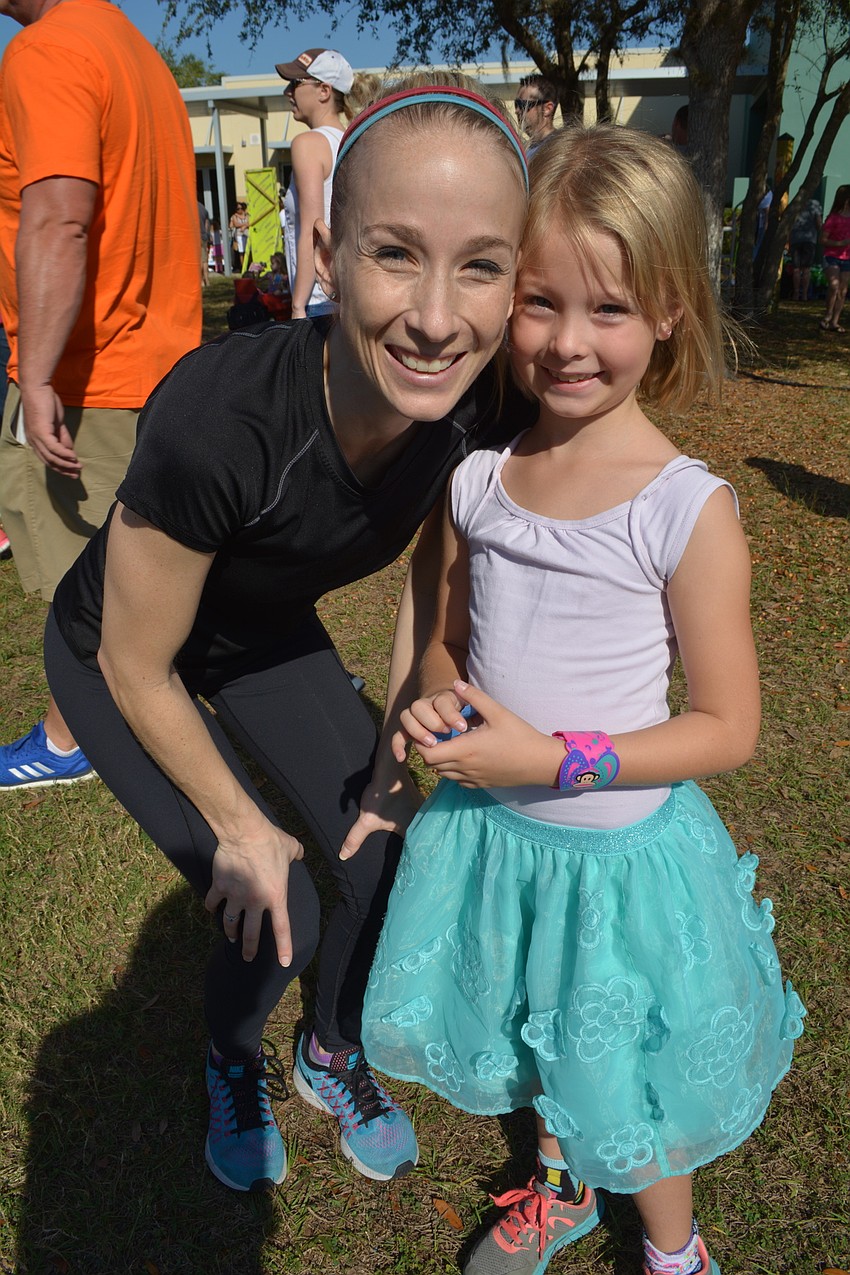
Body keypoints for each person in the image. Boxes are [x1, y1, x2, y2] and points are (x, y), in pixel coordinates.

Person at [43, 77, 531, 1196]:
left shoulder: (474, 396)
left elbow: (433, 560)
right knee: (281, 899)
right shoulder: (225, 418)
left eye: (482, 266)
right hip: (125, 654)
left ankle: (331, 1048)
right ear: (329, 243)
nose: (437, 316)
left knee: (379, 842)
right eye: (395, 253)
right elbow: (133, 659)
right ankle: (231, 1054)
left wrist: (402, 733)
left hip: (259, 635)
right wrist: (238, 825)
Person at [361, 124, 804, 1275]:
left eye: (607, 310)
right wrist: (441, 702)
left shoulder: (682, 510)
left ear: (666, 311)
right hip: (496, 846)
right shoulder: (476, 481)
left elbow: (729, 726)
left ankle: (674, 1251)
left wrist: (553, 759)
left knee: (627, 1083)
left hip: (613, 865)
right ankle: (559, 1182)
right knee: (536, 1029)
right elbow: (450, 641)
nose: (565, 343)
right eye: (540, 302)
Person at [0, 0, 201, 791]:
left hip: (91, 371)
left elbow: (59, 217)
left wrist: (38, 373)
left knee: (82, 574)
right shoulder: (137, 55)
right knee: (158, 559)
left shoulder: (48, 51)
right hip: (163, 359)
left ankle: (68, 734)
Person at [274, 48, 367, 320]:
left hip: (317, 300)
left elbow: (311, 230)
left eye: (296, 84)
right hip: (349, 296)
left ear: (324, 91)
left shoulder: (309, 144)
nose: (287, 92)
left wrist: (297, 306)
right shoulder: (353, 141)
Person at [819, 184, 850, 332]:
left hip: (847, 258)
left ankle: (835, 322)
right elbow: (823, 239)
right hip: (831, 256)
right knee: (834, 285)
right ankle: (828, 315)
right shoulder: (833, 218)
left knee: (842, 290)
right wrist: (839, 243)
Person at [514, 74, 558, 159]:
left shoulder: (560, 148)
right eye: (516, 104)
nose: (517, 111)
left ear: (547, 109)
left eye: (523, 105)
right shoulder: (524, 150)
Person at [788, 196, 822, 302]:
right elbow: (818, 222)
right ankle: (805, 295)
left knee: (796, 268)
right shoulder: (815, 204)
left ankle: (796, 293)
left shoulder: (794, 204)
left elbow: (789, 223)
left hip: (795, 238)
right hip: (809, 239)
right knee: (806, 269)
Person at [229, 201, 249, 271]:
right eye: (238, 209)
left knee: (248, 250)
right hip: (239, 234)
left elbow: (250, 222)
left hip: (247, 234)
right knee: (241, 251)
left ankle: (249, 265)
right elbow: (236, 224)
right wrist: (245, 225)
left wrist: (245, 225)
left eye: (241, 208)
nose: (239, 210)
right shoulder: (234, 216)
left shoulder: (247, 215)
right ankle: (243, 267)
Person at [198, 199, 212, 287]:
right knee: (204, 260)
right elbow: (207, 223)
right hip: (203, 236)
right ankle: (206, 280)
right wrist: (207, 234)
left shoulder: (190, 206)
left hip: (195, 236)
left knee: (199, 259)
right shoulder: (202, 207)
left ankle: (201, 281)